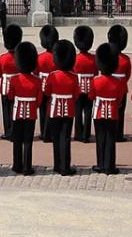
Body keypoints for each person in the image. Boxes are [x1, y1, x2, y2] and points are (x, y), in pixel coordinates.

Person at [89, 42, 126, 175]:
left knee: (100, 139)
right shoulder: (118, 82)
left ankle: (100, 164)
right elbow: (119, 99)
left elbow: (91, 95)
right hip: (113, 112)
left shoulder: (95, 80)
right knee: (111, 139)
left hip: (98, 112)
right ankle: (110, 166)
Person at [44, 39, 79, 175]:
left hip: (53, 109)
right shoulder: (74, 77)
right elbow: (76, 94)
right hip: (68, 109)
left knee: (56, 138)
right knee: (65, 138)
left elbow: (47, 92)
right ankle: (65, 166)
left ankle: (57, 165)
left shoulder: (52, 76)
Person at [7, 42, 42, 176]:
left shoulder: (14, 79)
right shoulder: (37, 81)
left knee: (17, 140)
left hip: (17, 112)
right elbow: (39, 101)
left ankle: (17, 165)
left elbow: (10, 96)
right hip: (31, 113)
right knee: (28, 141)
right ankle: (27, 167)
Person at [0, 24, 23, 140]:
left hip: (5, 87)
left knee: (6, 110)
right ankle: (16, 131)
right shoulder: (20, 56)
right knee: (16, 109)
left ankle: (8, 131)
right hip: (18, 86)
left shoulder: (2, 58)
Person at [72, 25, 96, 143]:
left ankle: (78, 133)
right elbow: (96, 72)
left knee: (77, 111)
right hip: (90, 87)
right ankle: (86, 134)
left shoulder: (75, 58)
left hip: (78, 87)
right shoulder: (93, 59)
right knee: (88, 111)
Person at [107, 25, 131, 142]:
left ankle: (109, 132)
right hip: (121, 87)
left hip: (108, 86)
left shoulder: (108, 56)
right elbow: (127, 75)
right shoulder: (125, 59)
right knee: (120, 112)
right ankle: (118, 134)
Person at [37, 25, 59, 142]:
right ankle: (50, 133)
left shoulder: (40, 57)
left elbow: (35, 72)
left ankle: (43, 132)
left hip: (42, 84)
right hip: (54, 85)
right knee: (52, 109)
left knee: (42, 109)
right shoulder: (56, 57)